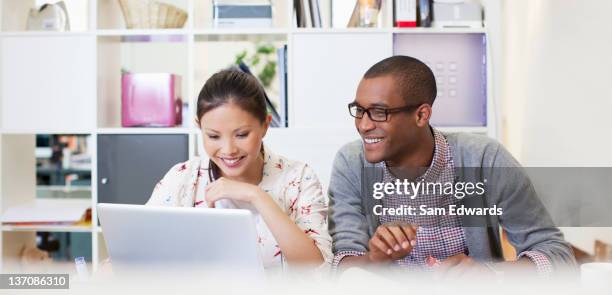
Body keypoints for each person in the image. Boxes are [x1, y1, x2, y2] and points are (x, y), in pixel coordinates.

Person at [328, 55, 576, 277]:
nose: (363, 125)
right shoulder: (351, 164)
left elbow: (557, 255)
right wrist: (374, 260)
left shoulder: (484, 159)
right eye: (359, 111)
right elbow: (341, 264)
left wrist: (489, 274)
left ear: (421, 115)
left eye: (379, 112)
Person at [146, 69, 332, 270]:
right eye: (214, 136)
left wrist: (256, 196)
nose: (229, 150)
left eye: (242, 135)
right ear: (200, 127)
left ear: (265, 126)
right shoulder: (182, 178)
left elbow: (316, 271)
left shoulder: (299, 178)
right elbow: (141, 245)